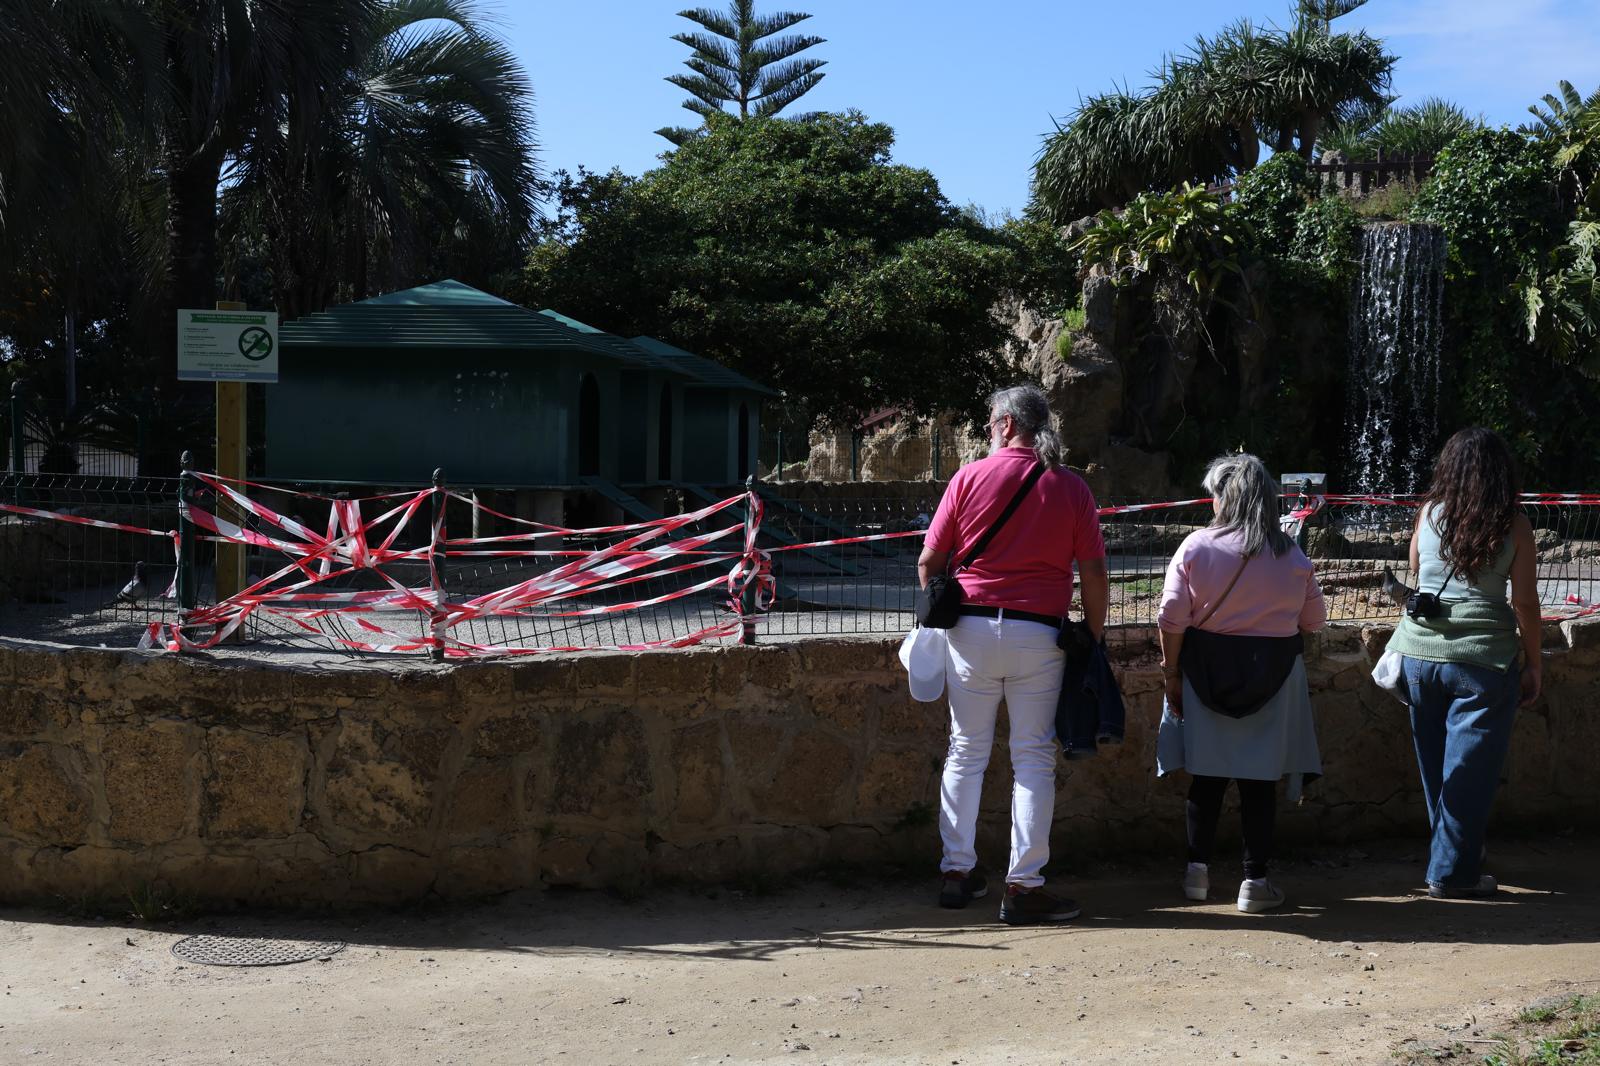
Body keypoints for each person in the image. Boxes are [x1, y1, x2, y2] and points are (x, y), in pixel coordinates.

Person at [918, 383, 1110, 925]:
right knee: (1032, 758)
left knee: (965, 751)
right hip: (1038, 634)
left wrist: (947, 612)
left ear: (1005, 425)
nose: (986, 431)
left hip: (971, 631)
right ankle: (1023, 886)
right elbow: (1094, 573)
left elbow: (929, 563)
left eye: (988, 423)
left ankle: (956, 871)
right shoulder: (1071, 488)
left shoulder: (968, 477)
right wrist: (1092, 637)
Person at [1155, 453, 1326, 914]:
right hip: (1273, 678)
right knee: (1258, 785)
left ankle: (1196, 874)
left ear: (1226, 497)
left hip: (1205, 674)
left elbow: (1171, 618)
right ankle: (1255, 883)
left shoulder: (1194, 547)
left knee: (1206, 780)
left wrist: (1172, 675)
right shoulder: (1293, 554)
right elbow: (1314, 621)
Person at [1384, 427, 1541, 899]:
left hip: (1418, 656)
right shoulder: (1514, 526)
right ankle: (1452, 875)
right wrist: (1534, 663)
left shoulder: (1429, 513)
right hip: (1482, 663)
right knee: (1468, 774)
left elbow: (1415, 567)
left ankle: (1458, 857)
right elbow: (1527, 605)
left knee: (1439, 770)